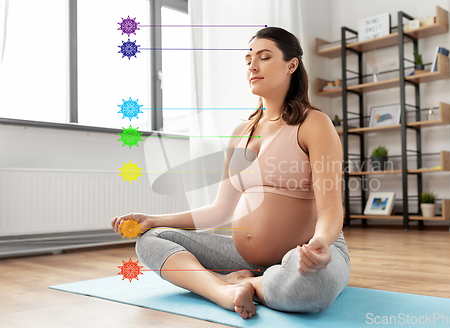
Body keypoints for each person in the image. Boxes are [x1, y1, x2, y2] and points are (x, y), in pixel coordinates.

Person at [111, 26, 350, 320]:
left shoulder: (314, 124)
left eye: (264, 57)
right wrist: (153, 219)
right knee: (150, 239)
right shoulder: (241, 133)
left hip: (305, 253)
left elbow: (331, 209)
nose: (253, 65)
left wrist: (321, 243)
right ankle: (224, 291)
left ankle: (242, 282)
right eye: (249, 59)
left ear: (291, 65)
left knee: (316, 288)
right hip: (245, 256)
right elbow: (220, 210)